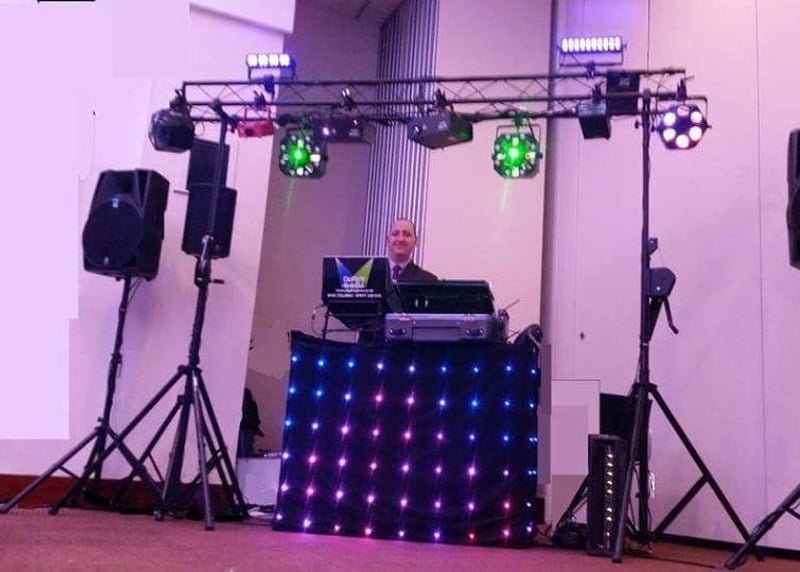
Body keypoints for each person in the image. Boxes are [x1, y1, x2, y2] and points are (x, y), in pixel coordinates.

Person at [386, 217, 438, 283]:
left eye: (407, 235)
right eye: (395, 234)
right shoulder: (373, 275)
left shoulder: (428, 281)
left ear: (415, 241)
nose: (400, 239)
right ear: (387, 240)